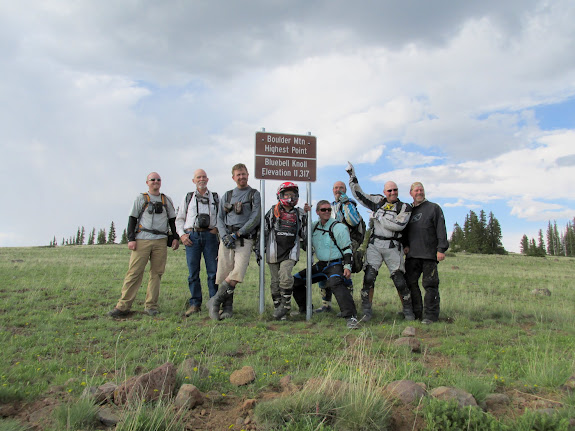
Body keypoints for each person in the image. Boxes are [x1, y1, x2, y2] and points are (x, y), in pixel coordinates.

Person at [346, 162, 414, 322]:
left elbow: (398, 225)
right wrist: (352, 176)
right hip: (375, 245)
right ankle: (367, 312)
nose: (392, 192)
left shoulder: (404, 207)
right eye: (389, 190)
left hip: (393, 246)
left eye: (395, 190)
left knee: (399, 279)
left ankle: (408, 311)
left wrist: (378, 216)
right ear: (385, 192)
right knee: (368, 277)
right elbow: (359, 195)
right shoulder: (378, 201)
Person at [108, 172, 179, 317]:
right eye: (152, 180)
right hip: (142, 240)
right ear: (147, 182)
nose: (155, 182)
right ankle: (123, 306)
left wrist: (176, 237)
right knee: (134, 272)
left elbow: (173, 220)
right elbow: (132, 219)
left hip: (161, 240)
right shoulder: (140, 199)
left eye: (158, 180)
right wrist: (131, 239)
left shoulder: (167, 200)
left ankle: (151, 306)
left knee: (156, 274)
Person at [291, 200, 360, 329]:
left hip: (336, 264)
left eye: (329, 209)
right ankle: (305, 310)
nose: (327, 212)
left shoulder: (338, 227)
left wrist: (347, 267)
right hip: (321, 265)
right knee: (296, 280)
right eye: (323, 210)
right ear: (317, 212)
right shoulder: (314, 226)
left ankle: (351, 317)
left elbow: (347, 249)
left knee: (335, 283)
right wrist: (304, 213)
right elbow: (302, 231)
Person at [208, 163, 261, 320]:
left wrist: (238, 234)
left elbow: (255, 217)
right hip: (226, 239)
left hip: (244, 239)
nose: (241, 177)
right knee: (224, 272)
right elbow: (219, 218)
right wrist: (224, 236)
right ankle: (227, 308)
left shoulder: (254, 194)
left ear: (248, 175)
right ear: (233, 177)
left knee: (237, 273)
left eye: (244, 174)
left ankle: (214, 302)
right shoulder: (228, 195)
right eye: (238, 175)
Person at [262, 182, 311, 320]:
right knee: (275, 281)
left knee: (285, 274)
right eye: (287, 194)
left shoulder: (300, 213)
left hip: (291, 251)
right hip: (273, 251)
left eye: (292, 194)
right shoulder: (273, 211)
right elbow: (264, 230)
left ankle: (286, 305)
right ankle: (279, 309)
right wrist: (258, 249)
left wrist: (308, 215)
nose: (290, 197)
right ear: (280, 195)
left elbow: (305, 234)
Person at [402, 182, 449, 324]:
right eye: (416, 190)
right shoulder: (408, 210)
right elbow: (403, 229)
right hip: (412, 256)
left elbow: (441, 229)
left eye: (421, 190)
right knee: (410, 283)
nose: (419, 192)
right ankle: (416, 312)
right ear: (411, 193)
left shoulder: (434, 208)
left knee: (430, 285)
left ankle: (430, 316)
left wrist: (441, 249)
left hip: (429, 255)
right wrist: (405, 245)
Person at [315, 180, 364, 313]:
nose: (338, 190)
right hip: (328, 247)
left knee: (345, 275)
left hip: (344, 246)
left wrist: (346, 203)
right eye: (336, 188)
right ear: (332, 190)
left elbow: (353, 221)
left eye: (341, 188)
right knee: (324, 273)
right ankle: (326, 305)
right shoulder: (329, 207)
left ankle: (349, 305)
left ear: (345, 190)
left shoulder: (349, 205)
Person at [176, 169, 220, 316]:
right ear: (194, 180)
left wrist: (217, 229)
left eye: (204, 177)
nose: (201, 179)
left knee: (213, 272)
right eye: (198, 177)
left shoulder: (215, 197)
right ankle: (195, 304)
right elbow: (180, 218)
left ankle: (214, 303)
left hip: (210, 237)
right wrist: (182, 235)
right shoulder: (188, 198)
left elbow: (221, 217)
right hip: (192, 237)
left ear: (207, 179)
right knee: (193, 273)